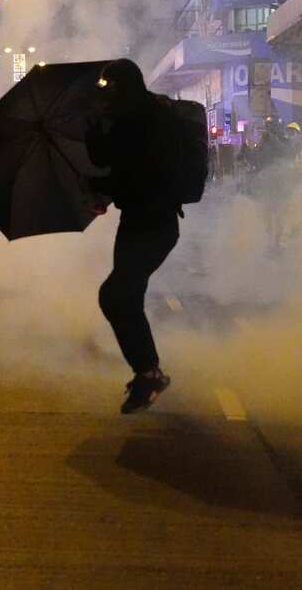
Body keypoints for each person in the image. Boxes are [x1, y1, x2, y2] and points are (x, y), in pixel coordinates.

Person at [85, 59, 180, 414]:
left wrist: (102, 185)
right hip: (140, 220)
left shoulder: (142, 120)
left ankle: (149, 373)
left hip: (154, 222)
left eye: (109, 87)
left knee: (116, 295)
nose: (106, 94)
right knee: (123, 296)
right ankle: (148, 372)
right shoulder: (135, 116)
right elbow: (109, 160)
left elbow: (130, 170)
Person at [253, 118, 302, 253]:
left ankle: (275, 242)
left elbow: (287, 153)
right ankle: (273, 241)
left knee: (278, 211)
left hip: (280, 182)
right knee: (271, 211)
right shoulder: (267, 142)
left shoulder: (281, 141)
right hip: (272, 182)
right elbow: (258, 159)